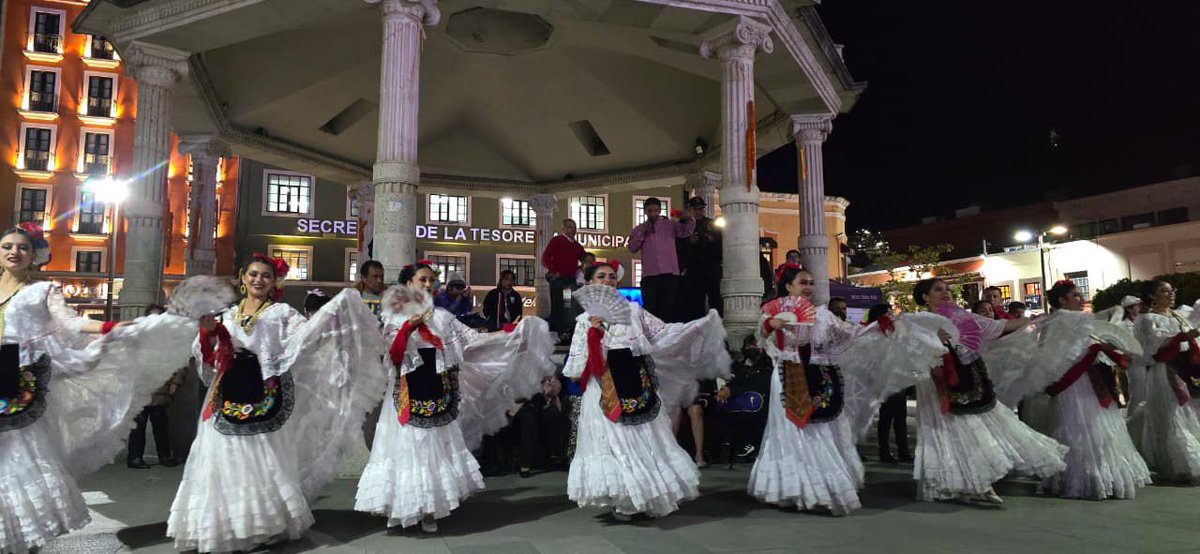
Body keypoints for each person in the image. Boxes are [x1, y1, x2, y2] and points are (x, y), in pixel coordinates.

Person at [168, 254, 388, 552]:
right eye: (253, 274)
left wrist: (334, 311)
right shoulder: (226, 315)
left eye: (266, 276)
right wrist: (207, 334)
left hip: (265, 395)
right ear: (243, 277)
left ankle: (261, 526)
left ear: (274, 282)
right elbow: (207, 355)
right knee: (222, 458)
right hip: (227, 394)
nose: (258, 280)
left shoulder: (282, 313)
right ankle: (225, 524)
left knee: (263, 458)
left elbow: (306, 338)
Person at [0, 223, 197, 554]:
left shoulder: (42, 291)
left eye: (22, 247)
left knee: (18, 458)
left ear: (34, 255)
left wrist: (110, 326)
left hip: (21, 381)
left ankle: (19, 533)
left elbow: (71, 322)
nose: (14, 252)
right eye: (7, 246)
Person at [354, 261, 555, 533]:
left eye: (431, 280)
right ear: (408, 284)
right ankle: (406, 506)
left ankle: (430, 510)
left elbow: (473, 341)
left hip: (438, 391)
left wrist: (509, 333)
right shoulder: (395, 314)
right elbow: (391, 353)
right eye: (422, 279)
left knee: (434, 448)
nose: (428, 284)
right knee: (407, 447)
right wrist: (409, 327)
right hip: (407, 392)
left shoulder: (443, 317)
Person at [747, 266, 945, 515]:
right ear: (788, 286)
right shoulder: (773, 310)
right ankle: (794, 486)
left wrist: (879, 326)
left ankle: (822, 486)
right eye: (803, 282)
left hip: (820, 375)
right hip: (789, 375)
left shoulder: (823, 315)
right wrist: (771, 324)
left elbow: (852, 333)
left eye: (811, 283)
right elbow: (761, 335)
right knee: (791, 430)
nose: (808, 287)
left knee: (824, 429)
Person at [564, 262, 728, 520]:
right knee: (615, 445)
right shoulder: (584, 321)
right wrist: (595, 337)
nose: (607, 280)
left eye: (611, 276)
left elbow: (664, 334)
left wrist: (698, 326)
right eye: (601, 276)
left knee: (644, 441)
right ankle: (625, 499)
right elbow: (576, 371)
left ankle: (647, 494)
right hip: (604, 390)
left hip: (637, 385)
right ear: (590, 283)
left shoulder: (633, 311)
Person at [906, 278, 1067, 505]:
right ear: (925, 296)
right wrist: (932, 340)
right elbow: (908, 353)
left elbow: (1000, 327)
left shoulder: (962, 317)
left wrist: (1038, 319)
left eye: (948, 289)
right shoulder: (917, 321)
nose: (946, 293)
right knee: (945, 430)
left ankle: (976, 482)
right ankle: (958, 483)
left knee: (973, 426)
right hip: (935, 383)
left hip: (967, 379)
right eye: (938, 290)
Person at [1030, 280, 1150, 499]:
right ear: (1062, 300)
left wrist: (1103, 339)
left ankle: (1100, 474)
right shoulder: (1059, 321)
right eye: (1075, 295)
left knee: (1097, 425)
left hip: (1090, 376)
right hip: (1075, 381)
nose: (1081, 299)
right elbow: (1055, 354)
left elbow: (1099, 327)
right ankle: (1087, 476)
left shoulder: (1076, 319)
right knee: (1081, 424)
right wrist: (1091, 350)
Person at [1126, 279, 1200, 482]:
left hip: (1184, 369)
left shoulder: (1177, 315)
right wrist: (1180, 339)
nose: (1170, 294)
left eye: (1171, 290)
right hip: (1164, 371)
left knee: (1187, 412)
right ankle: (1178, 463)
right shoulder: (1147, 319)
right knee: (1171, 413)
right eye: (1164, 291)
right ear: (1152, 296)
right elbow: (1151, 349)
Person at [127, 304, 187, 470]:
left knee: (161, 424)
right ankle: (135, 457)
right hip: (141, 386)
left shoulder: (170, 339)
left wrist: (176, 382)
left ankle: (165, 456)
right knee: (138, 425)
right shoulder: (137, 337)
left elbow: (180, 361)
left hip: (161, 386)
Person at [626, 197, 695, 323]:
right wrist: (642, 233)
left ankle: (667, 333)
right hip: (650, 275)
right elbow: (632, 248)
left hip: (669, 273)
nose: (653, 213)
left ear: (659, 210)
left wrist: (689, 218)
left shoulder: (670, 225)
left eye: (656, 210)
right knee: (650, 310)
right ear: (645, 211)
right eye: (650, 211)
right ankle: (652, 333)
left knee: (669, 309)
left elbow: (686, 232)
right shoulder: (639, 229)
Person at [870, 303, 913, 464]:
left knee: (901, 417)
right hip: (884, 380)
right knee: (886, 417)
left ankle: (903, 451)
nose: (891, 315)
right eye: (888, 313)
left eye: (891, 312)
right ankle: (884, 451)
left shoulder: (896, 331)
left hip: (899, 379)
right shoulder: (874, 333)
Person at [513, 375, 571, 477]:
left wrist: (551, 388)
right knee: (530, 419)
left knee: (553, 413)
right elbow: (514, 396)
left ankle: (556, 455)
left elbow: (557, 388)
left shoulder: (544, 371)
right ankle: (525, 463)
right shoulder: (516, 372)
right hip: (521, 408)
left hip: (542, 406)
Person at [677, 196, 723, 320]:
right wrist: (689, 242)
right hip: (694, 268)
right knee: (695, 303)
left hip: (711, 268)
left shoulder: (711, 224)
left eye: (701, 209)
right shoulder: (683, 225)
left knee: (716, 300)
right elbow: (678, 246)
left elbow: (721, 246)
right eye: (695, 209)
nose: (698, 212)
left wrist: (712, 241)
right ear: (690, 209)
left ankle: (717, 325)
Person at [542, 219, 586, 338]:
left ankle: (566, 332)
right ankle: (557, 332)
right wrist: (553, 270)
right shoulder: (557, 240)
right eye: (570, 227)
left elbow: (585, 259)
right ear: (564, 229)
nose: (573, 230)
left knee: (568, 306)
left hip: (570, 281)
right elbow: (545, 257)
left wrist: (582, 268)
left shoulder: (577, 246)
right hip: (558, 280)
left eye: (574, 227)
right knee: (557, 305)